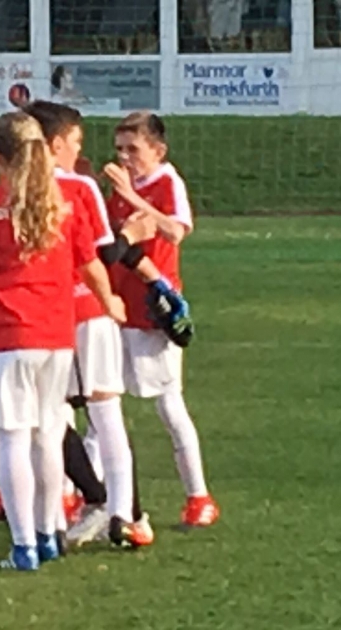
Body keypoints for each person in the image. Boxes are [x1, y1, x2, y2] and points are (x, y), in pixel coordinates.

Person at [0, 111, 125, 572]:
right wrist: (109, 300)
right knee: (48, 435)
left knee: (14, 438)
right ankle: (47, 531)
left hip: (12, 336)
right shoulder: (63, 203)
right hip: (57, 336)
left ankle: (24, 545)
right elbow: (90, 263)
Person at [23, 100, 155, 548]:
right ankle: (121, 513)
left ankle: (89, 506)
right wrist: (131, 236)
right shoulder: (79, 187)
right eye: (75, 141)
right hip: (89, 310)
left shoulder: (15, 190)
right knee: (104, 412)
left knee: (49, 416)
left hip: (44, 315)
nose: (79, 150)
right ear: (56, 143)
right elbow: (100, 254)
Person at [102, 111, 219, 527]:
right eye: (119, 149)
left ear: (158, 150)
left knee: (169, 404)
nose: (124, 157)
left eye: (133, 149)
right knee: (103, 404)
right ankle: (92, 498)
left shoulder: (167, 182)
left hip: (156, 310)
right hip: (118, 308)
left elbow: (175, 230)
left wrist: (133, 198)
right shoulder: (121, 187)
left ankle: (199, 496)